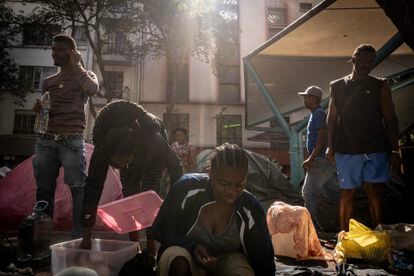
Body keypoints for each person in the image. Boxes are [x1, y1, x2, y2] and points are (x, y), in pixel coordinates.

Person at [153, 143, 275, 276]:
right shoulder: (186, 188)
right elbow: (160, 229)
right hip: (186, 252)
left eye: (239, 184)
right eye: (224, 184)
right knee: (178, 263)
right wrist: (192, 246)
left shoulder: (250, 208)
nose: (231, 192)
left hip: (230, 259)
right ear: (210, 174)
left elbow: (263, 260)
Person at [79, 101, 183, 257]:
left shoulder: (154, 141)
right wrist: (86, 236)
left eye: (125, 161)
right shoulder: (102, 151)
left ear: (133, 153)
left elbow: (176, 166)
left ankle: (151, 246)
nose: (122, 165)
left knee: (149, 194)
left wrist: (176, 201)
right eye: (117, 163)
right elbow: (92, 189)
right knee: (130, 197)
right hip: (130, 151)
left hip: (152, 155)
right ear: (110, 156)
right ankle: (135, 247)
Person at [326, 44, 401, 231]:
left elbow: (390, 119)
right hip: (347, 147)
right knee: (347, 192)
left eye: (370, 61)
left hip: (376, 148)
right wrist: (330, 146)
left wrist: (395, 149)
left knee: (374, 191)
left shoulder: (381, 85)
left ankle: (379, 233)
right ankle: (343, 236)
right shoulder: (336, 86)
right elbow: (332, 117)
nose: (367, 64)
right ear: (354, 59)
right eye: (363, 60)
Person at [31, 34, 98, 237]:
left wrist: (78, 66)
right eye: (53, 49)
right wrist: (40, 110)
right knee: (43, 190)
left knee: (77, 188)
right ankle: (41, 238)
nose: (55, 53)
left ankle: (78, 236)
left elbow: (92, 89)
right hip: (46, 141)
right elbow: (48, 112)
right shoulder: (49, 81)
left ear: (72, 53)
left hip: (72, 141)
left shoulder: (86, 75)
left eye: (60, 50)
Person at [299, 86, 339, 231]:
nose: (304, 100)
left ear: (313, 99)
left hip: (320, 161)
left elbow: (322, 137)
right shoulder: (316, 114)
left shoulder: (319, 114)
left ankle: (309, 229)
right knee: (335, 194)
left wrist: (311, 158)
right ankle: (346, 221)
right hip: (325, 161)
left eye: (306, 97)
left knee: (308, 192)